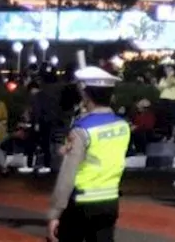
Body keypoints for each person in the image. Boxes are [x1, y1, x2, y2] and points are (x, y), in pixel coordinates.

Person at [47, 66, 131, 242]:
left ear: (85, 96)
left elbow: (68, 174)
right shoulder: (123, 126)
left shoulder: (82, 129)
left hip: (81, 202)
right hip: (110, 200)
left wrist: (55, 212)